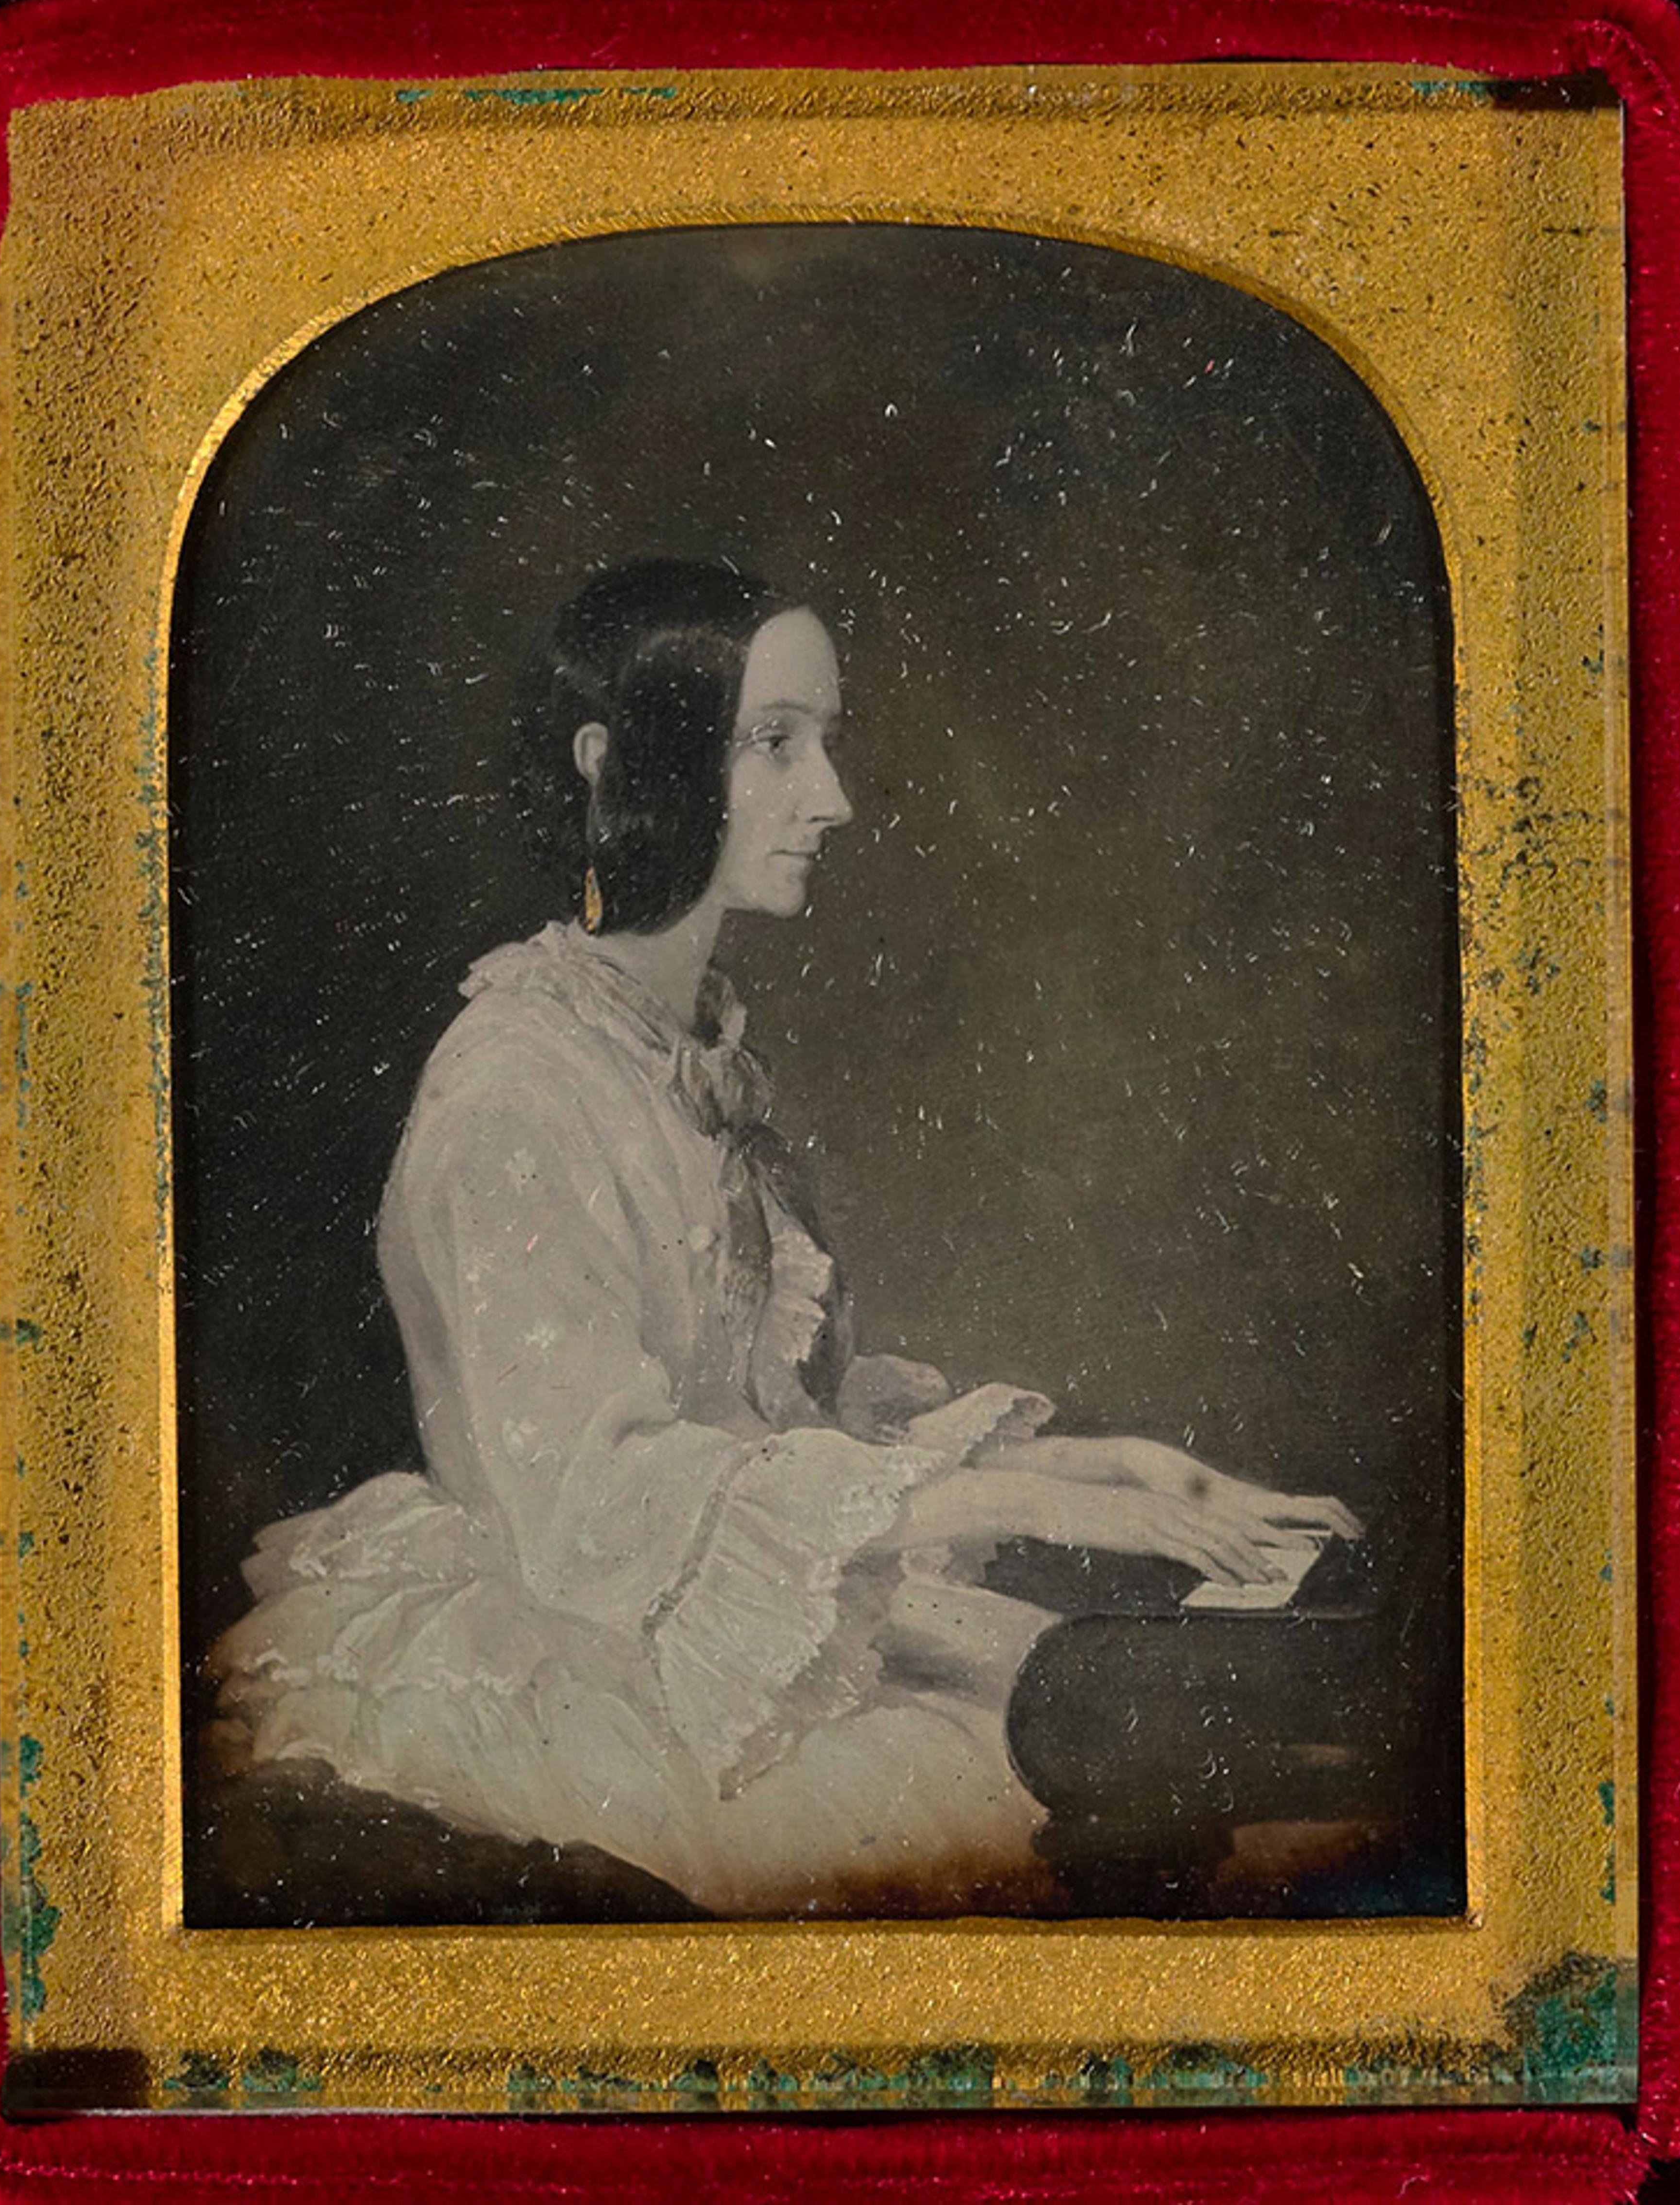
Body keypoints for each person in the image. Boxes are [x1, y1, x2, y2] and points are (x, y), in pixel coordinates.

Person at [208, 558, 1357, 1918]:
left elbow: (787, 1445)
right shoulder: (514, 1086)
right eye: (776, 744)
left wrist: (1133, 1476)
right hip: (595, 1668)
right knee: (1069, 1818)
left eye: (825, 743)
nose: (834, 798)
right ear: (614, 763)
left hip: (714, 1640)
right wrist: (1040, 1505)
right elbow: (596, 1511)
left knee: (1208, 1781)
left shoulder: (682, 1059)